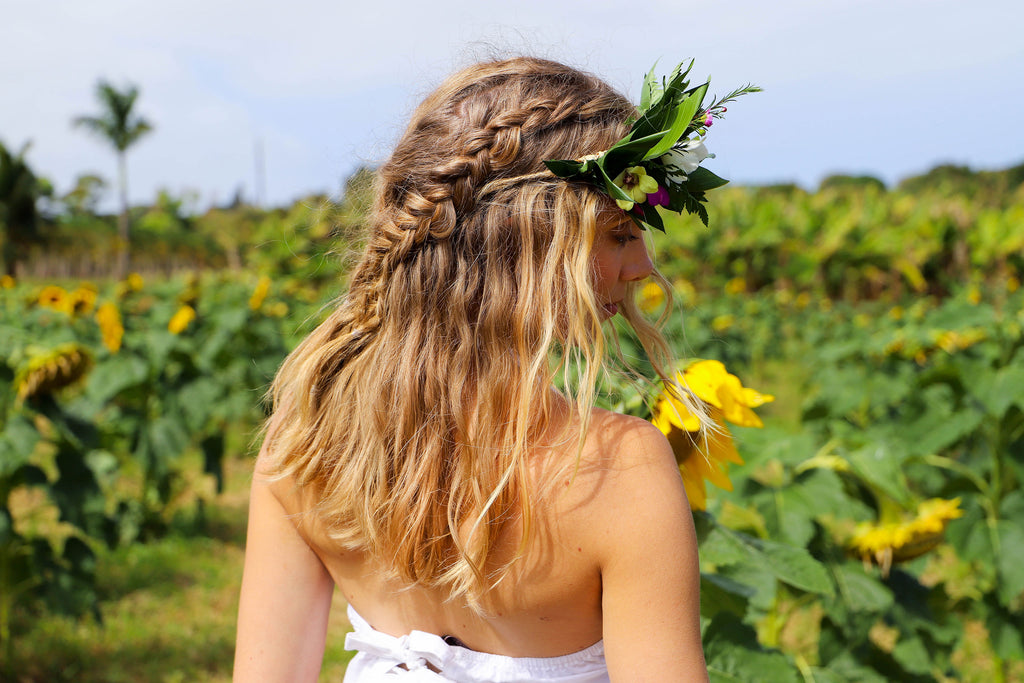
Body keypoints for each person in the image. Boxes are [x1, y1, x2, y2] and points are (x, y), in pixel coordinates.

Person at [233, 55, 730, 682]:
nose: (640, 268)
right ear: (528, 242)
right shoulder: (620, 469)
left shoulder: (302, 445)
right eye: (620, 234)